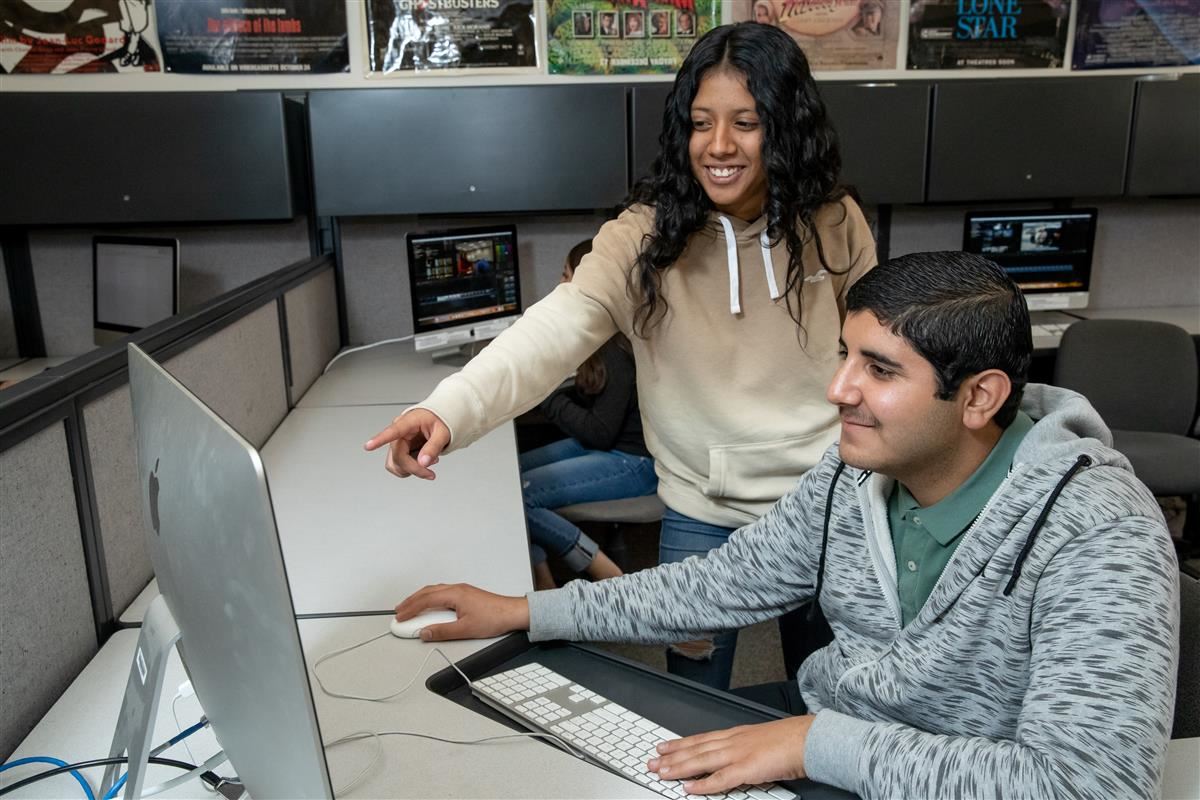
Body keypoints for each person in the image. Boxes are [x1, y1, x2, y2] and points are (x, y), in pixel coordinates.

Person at [393, 251, 1179, 799]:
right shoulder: (853, 476)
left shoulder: (1097, 530)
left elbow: (1087, 786)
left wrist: (812, 744)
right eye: (845, 356)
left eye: (878, 368)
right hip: (836, 747)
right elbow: (723, 584)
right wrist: (529, 612)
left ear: (978, 398)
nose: (838, 390)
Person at [366, 23, 876, 690]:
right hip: (703, 510)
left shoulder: (834, 222)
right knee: (687, 700)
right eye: (700, 123)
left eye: (745, 122)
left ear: (783, 126)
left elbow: (875, 354)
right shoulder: (643, 237)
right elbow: (550, 333)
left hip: (823, 507)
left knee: (831, 697)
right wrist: (448, 410)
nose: (718, 146)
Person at [521, 240, 656, 590]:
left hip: (634, 463)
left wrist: (547, 394)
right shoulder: (596, 334)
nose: (560, 284)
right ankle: (545, 583)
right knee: (509, 478)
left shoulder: (616, 347)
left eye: (566, 275)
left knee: (522, 496)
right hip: (602, 448)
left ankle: (605, 573)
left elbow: (599, 432)